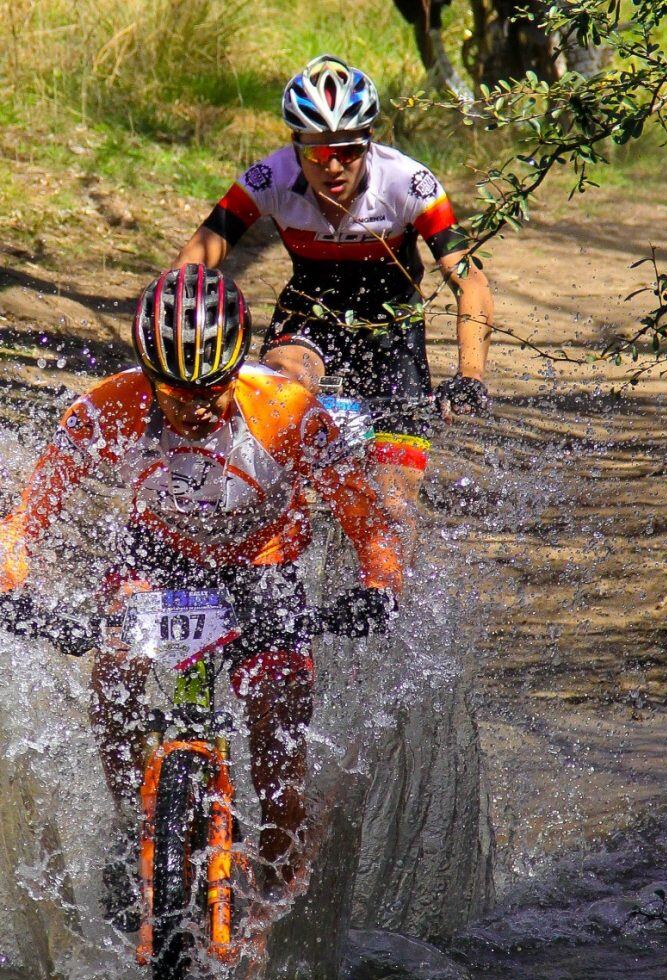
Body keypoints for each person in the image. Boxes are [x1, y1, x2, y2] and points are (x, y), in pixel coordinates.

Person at [0, 265, 403, 927]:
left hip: (264, 565)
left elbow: (367, 519)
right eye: (176, 389)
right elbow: (26, 516)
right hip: (158, 557)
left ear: (234, 368)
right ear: (147, 375)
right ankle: (138, 827)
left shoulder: (288, 411)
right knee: (116, 664)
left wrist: (378, 587)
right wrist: (11, 588)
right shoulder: (111, 405)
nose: (196, 406)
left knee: (278, 737)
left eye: (212, 386)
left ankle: (271, 909)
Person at [174, 54, 494, 557]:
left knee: (394, 508)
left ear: (367, 142)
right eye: (317, 154)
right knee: (283, 395)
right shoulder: (269, 177)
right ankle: (270, 566)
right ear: (295, 148)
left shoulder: (408, 183)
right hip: (308, 315)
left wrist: (470, 372)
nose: (333, 166)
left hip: (393, 334)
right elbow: (200, 255)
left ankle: (385, 604)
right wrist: (173, 325)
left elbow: (469, 280)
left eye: (346, 150)